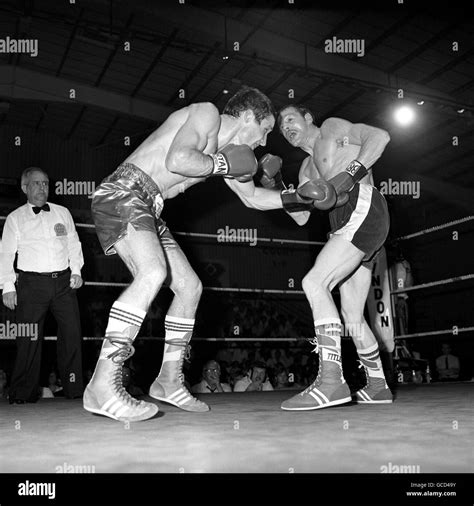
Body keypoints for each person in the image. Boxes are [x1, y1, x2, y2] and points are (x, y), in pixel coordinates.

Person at [84, 86, 285, 422]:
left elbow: (253, 199)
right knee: (153, 272)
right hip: (125, 190)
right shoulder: (206, 113)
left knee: (190, 287)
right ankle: (102, 383)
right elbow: (177, 159)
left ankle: (168, 380)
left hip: (150, 206)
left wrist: (299, 198)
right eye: (265, 130)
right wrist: (223, 163)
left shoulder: (229, 154)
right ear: (248, 116)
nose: (264, 142)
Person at [267, 104, 392, 409]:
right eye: (281, 126)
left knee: (314, 283)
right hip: (344, 226)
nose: (286, 127)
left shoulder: (333, 129)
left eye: (290, 119)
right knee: (352, 316)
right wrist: (274, 183)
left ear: (308, 118)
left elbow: (381, 137)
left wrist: (350, 175)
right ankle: (378, 386)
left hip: (363, 208)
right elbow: (301, 219)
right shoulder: (306, 169)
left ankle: (332, 383)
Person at [1, 167, 84, 404]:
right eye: (36, 183)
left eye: (45, 183)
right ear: (24, 188)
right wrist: (8, 286)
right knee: (28, 339)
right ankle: (22, 393)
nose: (42, 188)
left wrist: (76, 271)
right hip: (30, 284)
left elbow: (74, 244)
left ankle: (74, 388)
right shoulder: (16, 218)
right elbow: (6, 254)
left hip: (63, 282)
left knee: (72, 334)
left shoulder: (63, 212)